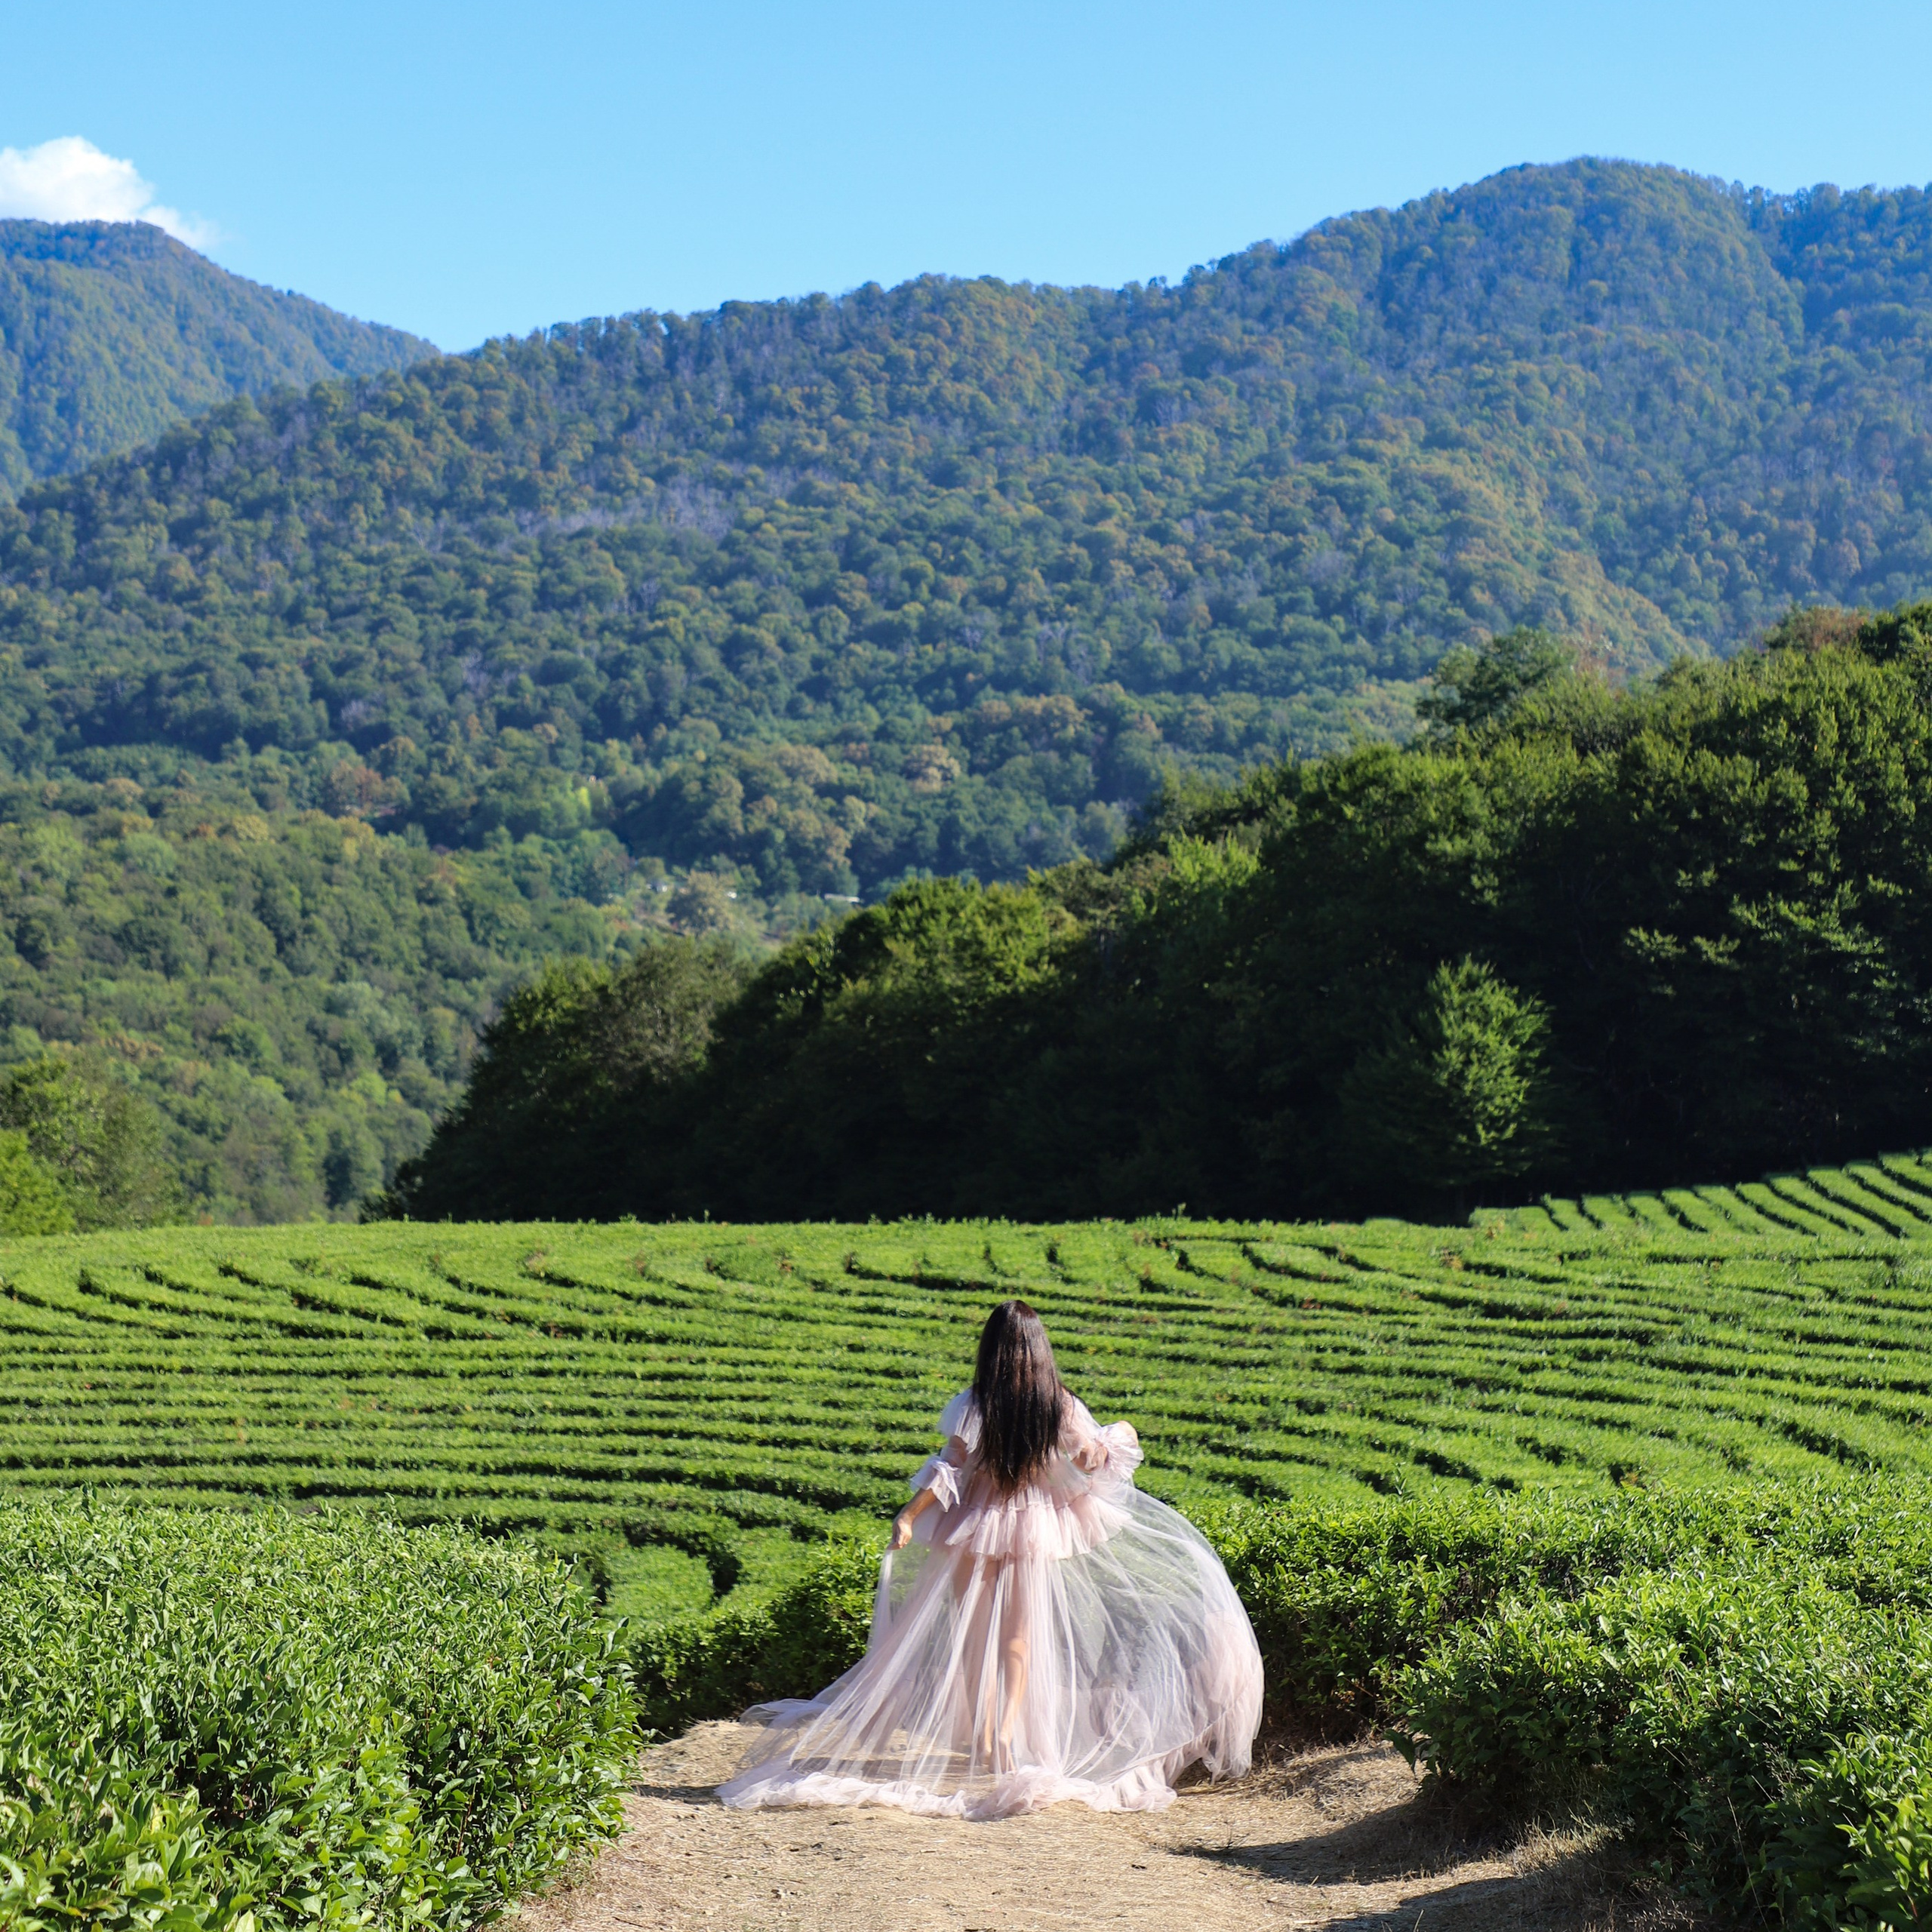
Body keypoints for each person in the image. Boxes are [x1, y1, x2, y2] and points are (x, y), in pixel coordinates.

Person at [717, 1298, 1263, 1820]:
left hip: (975, 1525)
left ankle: (988, 1735)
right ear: (1039, 1350)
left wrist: (911, 1514)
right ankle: (999, 1734)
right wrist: (1106, 1443)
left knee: (976, 1634)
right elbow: (1094, 1451)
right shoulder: (1059, 1404)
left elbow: (951, 1468)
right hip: (1030, 1526)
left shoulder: (976, 1404)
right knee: (1018, 1638)